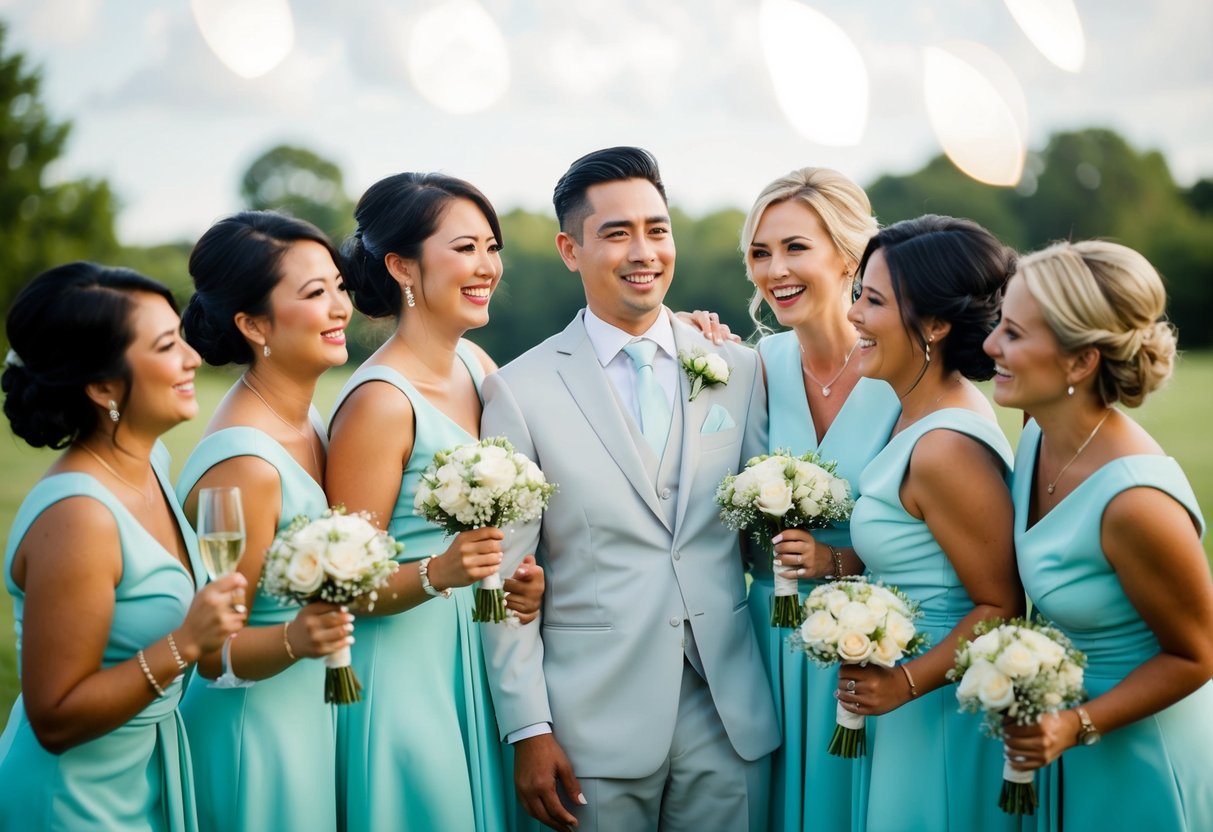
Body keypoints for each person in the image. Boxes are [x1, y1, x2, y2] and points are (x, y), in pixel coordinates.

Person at [479, 146, 780, 831]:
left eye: (656, 228)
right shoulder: (519, 391)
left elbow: (762, 541)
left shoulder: (736, 368)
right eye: (616, 233)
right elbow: (507, 580)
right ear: (569, 248)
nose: (643, 251)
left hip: (729, 715)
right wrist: (528, 727)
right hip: (589, 725)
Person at [326, 172, 544, 832]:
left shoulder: (476, 365)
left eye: (491, 246)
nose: (487, 267)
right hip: (405, 675)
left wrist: (518, 583)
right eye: (464, 248)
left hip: (480, 655)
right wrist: (439, 572)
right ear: (401, 266)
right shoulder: (379, 403)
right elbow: (344, 586)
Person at [0, 262, 245, 830]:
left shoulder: (152, 463)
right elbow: (55, 719)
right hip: (76, 800)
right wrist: (185, 643)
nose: (191, 358)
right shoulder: (78, 516)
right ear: (103, 385)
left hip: (145, 772)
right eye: (166, 347)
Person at [989, 240, 1213, 830]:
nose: (991, 346)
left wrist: (1074, 724)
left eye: (1012, 333)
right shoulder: (1037, 429)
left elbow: (1197, 654)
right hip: (1064, 740)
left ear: (1079, 362)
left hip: (1141, 753)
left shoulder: (1136, 502)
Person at [841, 216, 1024, 831]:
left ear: (937, 325)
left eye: (873, 300)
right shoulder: (913, 409)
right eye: (857, 295)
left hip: (940, 705)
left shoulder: (947, 445)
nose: (855, 316)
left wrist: (905, 683)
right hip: (909, 697)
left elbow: (1000, 601)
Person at [176, 211, 355, 831]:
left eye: (338, 285)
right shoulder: (246, 464)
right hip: (253, 732)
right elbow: (209, 650)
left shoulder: (311, 421)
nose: (339, 307)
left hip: (308, 713)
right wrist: (296, 639)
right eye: (314, 294)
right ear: (253, 325)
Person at [735, 168, 899, 832]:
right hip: (764, 642)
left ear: (847, 254)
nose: (774, 269)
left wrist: (838, 562)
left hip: (868, 645)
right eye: (759, 252)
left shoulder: (903, 372)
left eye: (794, 247)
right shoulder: (751, 367)